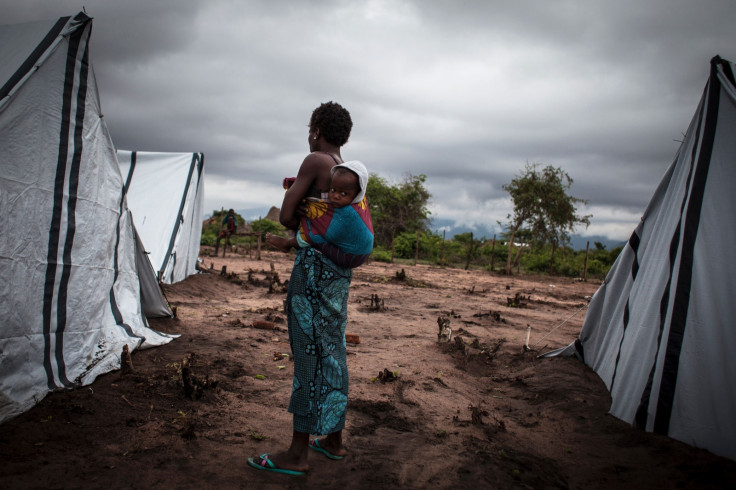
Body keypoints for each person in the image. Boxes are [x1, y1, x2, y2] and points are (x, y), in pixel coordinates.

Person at [248, 101, 355, 476]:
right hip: (338, 274)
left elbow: (284, 215)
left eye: (311, 130)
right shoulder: (347, 174)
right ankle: (334, 440)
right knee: (333, 348)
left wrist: (297, 202)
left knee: (308, 353)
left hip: (312, 272)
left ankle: (297, 453)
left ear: (316, 130)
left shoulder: (316, 162)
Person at [265, 160, 373, 269]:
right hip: (360, 255)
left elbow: (330, 232)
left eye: (344, 193)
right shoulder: (360, 203)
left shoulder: (348, 214)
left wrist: (306, 206)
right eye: (333, 189)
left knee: (314, 235)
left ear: (358, 194)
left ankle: (287, 244)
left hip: (349, 257)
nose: (336, 196)